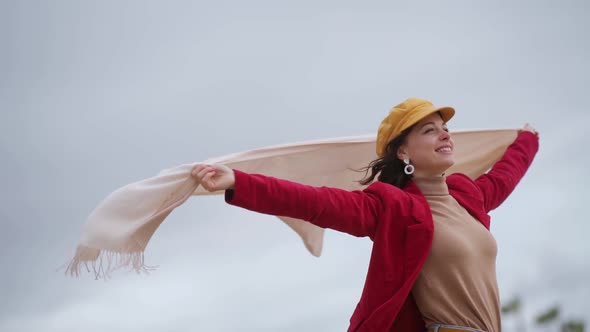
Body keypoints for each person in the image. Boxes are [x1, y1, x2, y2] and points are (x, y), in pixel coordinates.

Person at [191, 97, 539, 332]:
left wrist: (528, 140)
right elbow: (316, 202)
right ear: (404, 150)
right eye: (429, 130)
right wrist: (238, 181)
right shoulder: (393, 208)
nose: (444, 133)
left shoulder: (468, 197)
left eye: (443, 127)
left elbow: (505, 175)